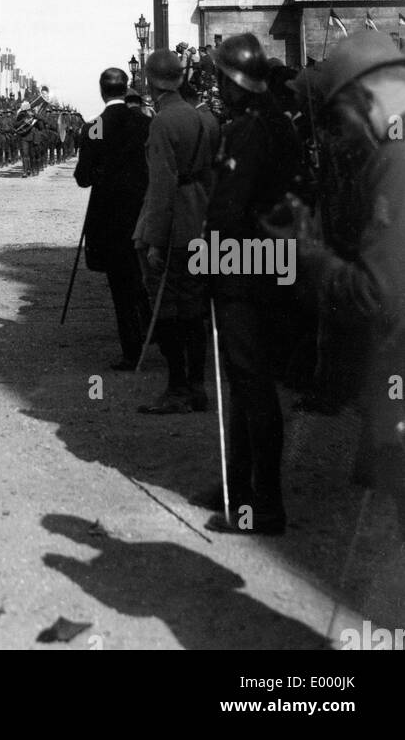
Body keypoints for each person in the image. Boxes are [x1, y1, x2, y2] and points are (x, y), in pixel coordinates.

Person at [263, 31, 405, 540]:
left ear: (363, 97)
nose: (337, 136)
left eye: (337, 118)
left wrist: (302, 254)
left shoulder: (397, 161)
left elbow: (375, 292)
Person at [204, 33, 302, 536]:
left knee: (252, 387)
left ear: (234, 81)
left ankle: (264, 504)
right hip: (268, 264)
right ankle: (237, 487)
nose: (218, 84)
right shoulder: (275, 123)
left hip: (245, 271)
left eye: (221, 76)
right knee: (246, 385)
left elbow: (226, 210)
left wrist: (207, 265)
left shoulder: (247, 131)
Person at [133, 48, 220, 414]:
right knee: (195, 306)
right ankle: (197, 387)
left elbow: (162, 186)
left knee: (167, 306)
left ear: (150, 83)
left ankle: (177, 388)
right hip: (203, 219)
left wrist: (154, 240)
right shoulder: (208, 119)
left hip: (175, 227)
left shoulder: (163, 122)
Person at [75, 67, 152, 370]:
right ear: (126, 88)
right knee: (144, 275)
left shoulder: (95, 126)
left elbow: (83, 178)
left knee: (120, 285)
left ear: (102, 91)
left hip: (109, 216)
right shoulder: (144, 123)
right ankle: (154, 327)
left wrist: (98, 173)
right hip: (143, 210)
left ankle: (131, 352)